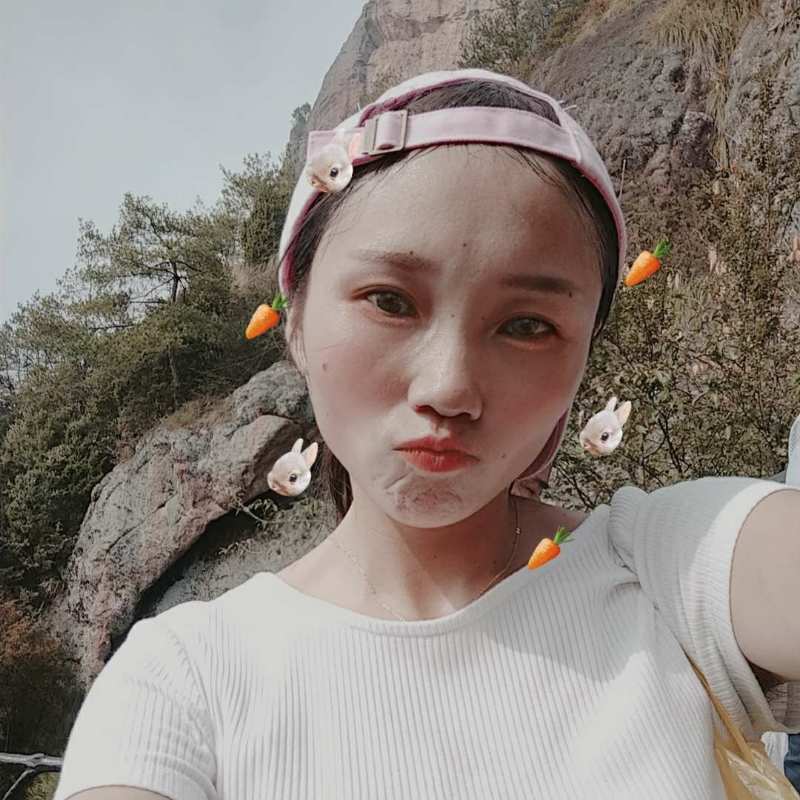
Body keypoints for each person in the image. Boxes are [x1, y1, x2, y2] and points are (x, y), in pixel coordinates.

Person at [53, 68, 800, 800]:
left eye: (528, 325)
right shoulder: (183, 681)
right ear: (297, 318)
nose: (448, 388)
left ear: (583, 356)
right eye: (389, 301)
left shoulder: (667, 566)